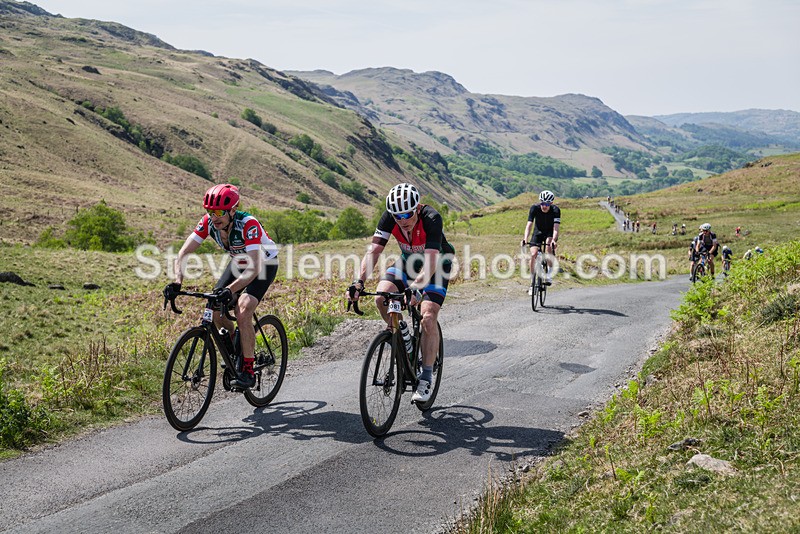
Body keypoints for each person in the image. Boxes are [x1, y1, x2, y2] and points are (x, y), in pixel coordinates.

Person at [164, 183, 278, 390]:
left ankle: (248, 369)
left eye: (218, 212)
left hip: (263, 264)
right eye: (209, 211)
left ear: (233, 210)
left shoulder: (248, 224)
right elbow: (183, 253)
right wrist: (177, 281)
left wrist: (231, 290)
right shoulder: (208, 223)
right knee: (214, 307)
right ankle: (237, 349)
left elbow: (253, 269)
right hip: (239, 261)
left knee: (243, 309)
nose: (213, 217)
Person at [349, 183, 455, 403]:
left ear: (416, 208)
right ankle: (402, 332)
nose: (402, 220)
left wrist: (416, 287)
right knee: (381, 297)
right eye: (397, 216)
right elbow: (374, 251)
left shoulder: (431, 218)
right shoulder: (390, 218)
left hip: (436, 265)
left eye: (407, 214)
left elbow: (431, 261)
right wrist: (358, 282)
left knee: (427, 315)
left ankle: (426, 376)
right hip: (408, 263)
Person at [521, 190, 561, 295]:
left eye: (547, 204)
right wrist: (525, 239)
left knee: (548, 248)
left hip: (549, 233)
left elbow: (556, 228)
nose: (544, 206)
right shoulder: (534, 208)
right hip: (537, 233)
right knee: (533, 254)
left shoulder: (556, 210)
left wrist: (553, 240)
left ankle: (549, 273)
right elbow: (529, 225)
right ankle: (532, 283)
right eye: (543, 203)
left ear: (551, 203)